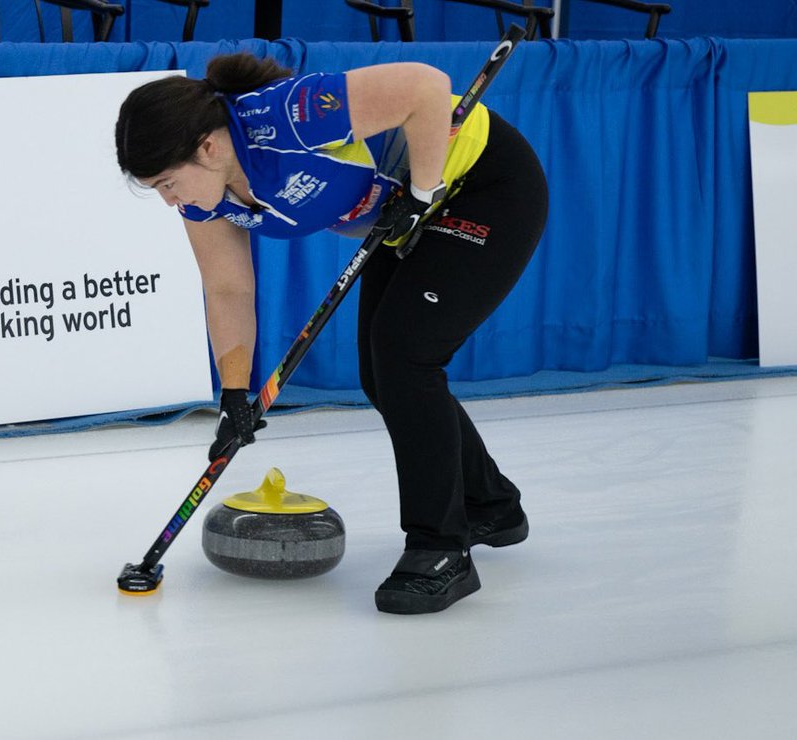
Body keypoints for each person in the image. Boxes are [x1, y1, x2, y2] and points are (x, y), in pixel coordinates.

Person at [114, 51, 548, 614]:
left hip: (481, 184)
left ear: (209, 147)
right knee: (379, 372)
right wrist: (234, 396)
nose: (169, 200)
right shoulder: (204, 202)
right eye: (157, 190)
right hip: (409, 214)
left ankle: (441, 548)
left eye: (168, 183)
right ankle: (490, 504)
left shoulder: (288, 117)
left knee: (405, 357)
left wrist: (421, 190)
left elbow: (425, 86)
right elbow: (228, 291)